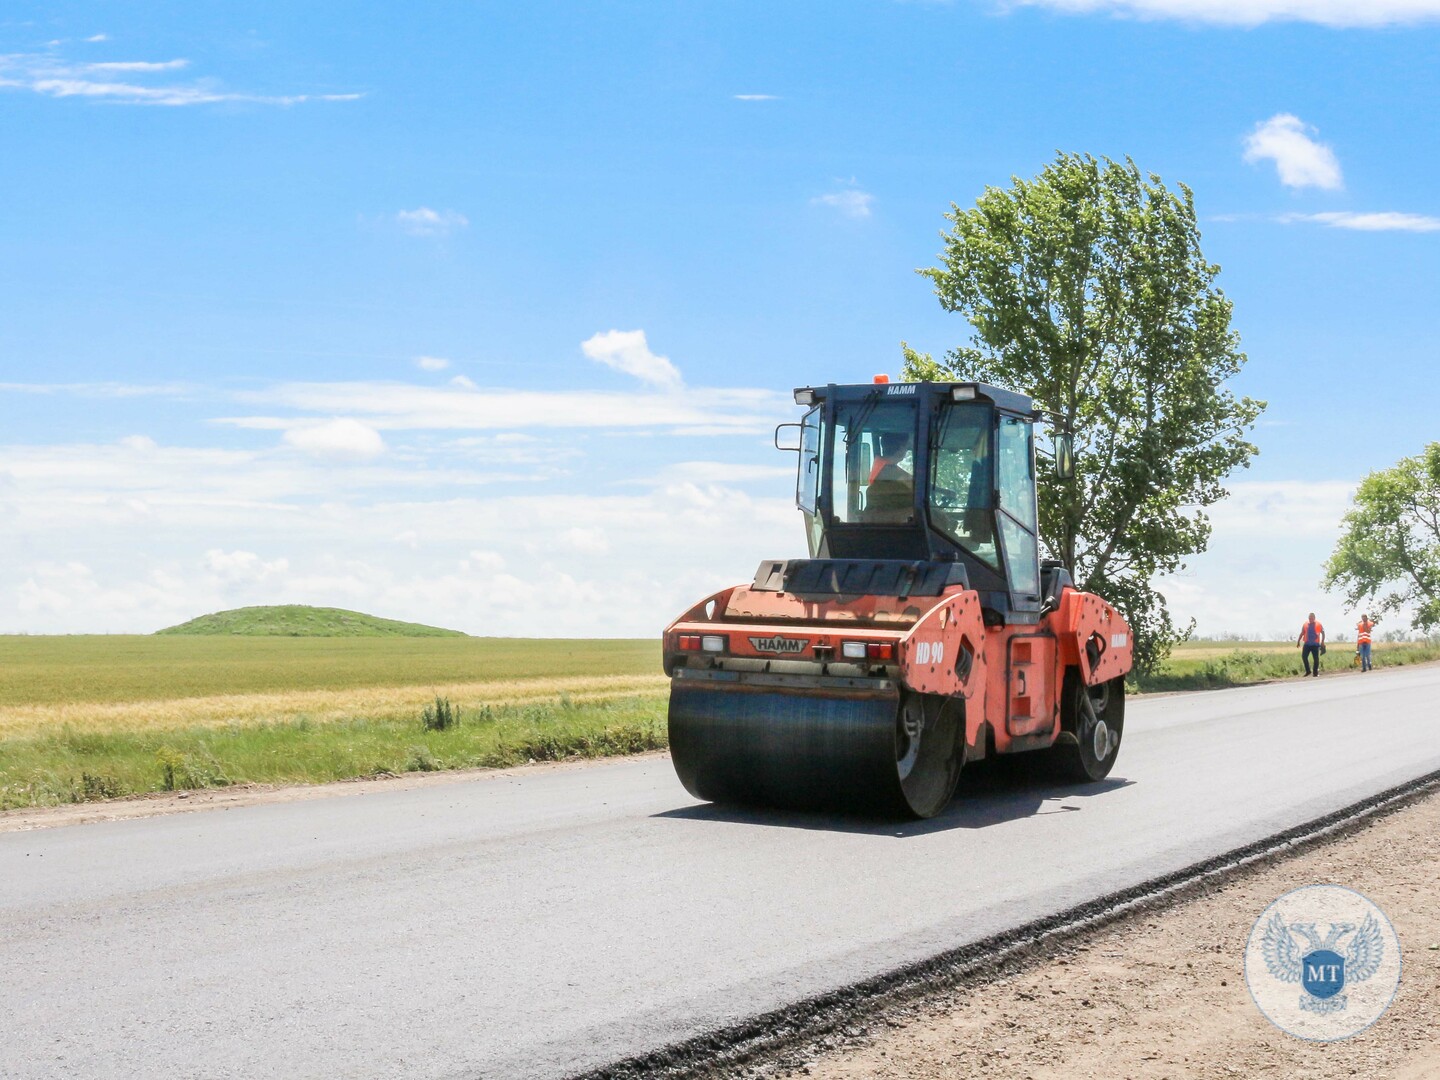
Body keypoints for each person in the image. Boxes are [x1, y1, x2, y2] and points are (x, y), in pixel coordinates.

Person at [1297, 612, 1326, 677]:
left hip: (1315, 645)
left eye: (1312, 618)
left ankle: (1315, 673)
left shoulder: (1318, 624)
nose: (1311, 619)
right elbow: (1302, 633)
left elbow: (1323, 633)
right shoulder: (1305, 624)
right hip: (1307, 644)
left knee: (1316, 659)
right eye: (1309, 618)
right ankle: (1308, 671)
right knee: (1304, 657)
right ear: (1308, 618)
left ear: (1314, 618)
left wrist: (1322, 641)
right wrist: (1298, 641)